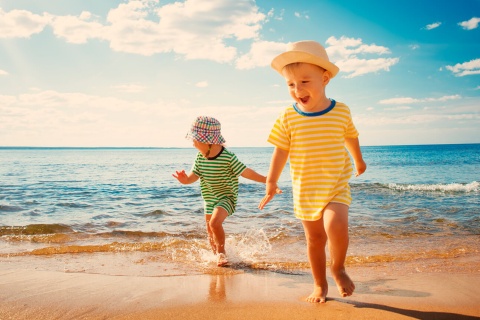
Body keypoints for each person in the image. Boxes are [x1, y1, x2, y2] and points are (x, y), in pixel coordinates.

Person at [258, 40, 367, 303]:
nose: (297, 90)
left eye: (305, 82)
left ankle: (338, 267)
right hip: (305, 188)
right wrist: (271, 181)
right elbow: (281, 151)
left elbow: (350, 137)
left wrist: (359, 161)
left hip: (335, 184)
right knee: (315, 240)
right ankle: (319, 285)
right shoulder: (288, 116)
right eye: (291, 85)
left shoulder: (340, 110)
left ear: (325, 78)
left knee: (336, 225)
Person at [173, 116, 274, 267]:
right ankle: (217, 257)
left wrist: (267, 180)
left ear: (207, 140)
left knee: (214, 223)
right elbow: (193, 176)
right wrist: (185, 179)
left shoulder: (227, 157)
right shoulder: (200, 158)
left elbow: (246, 172)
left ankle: (221, 254)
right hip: (209, 199)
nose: (193, 144)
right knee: (210, 231)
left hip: (226, 198)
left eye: (195, 139)